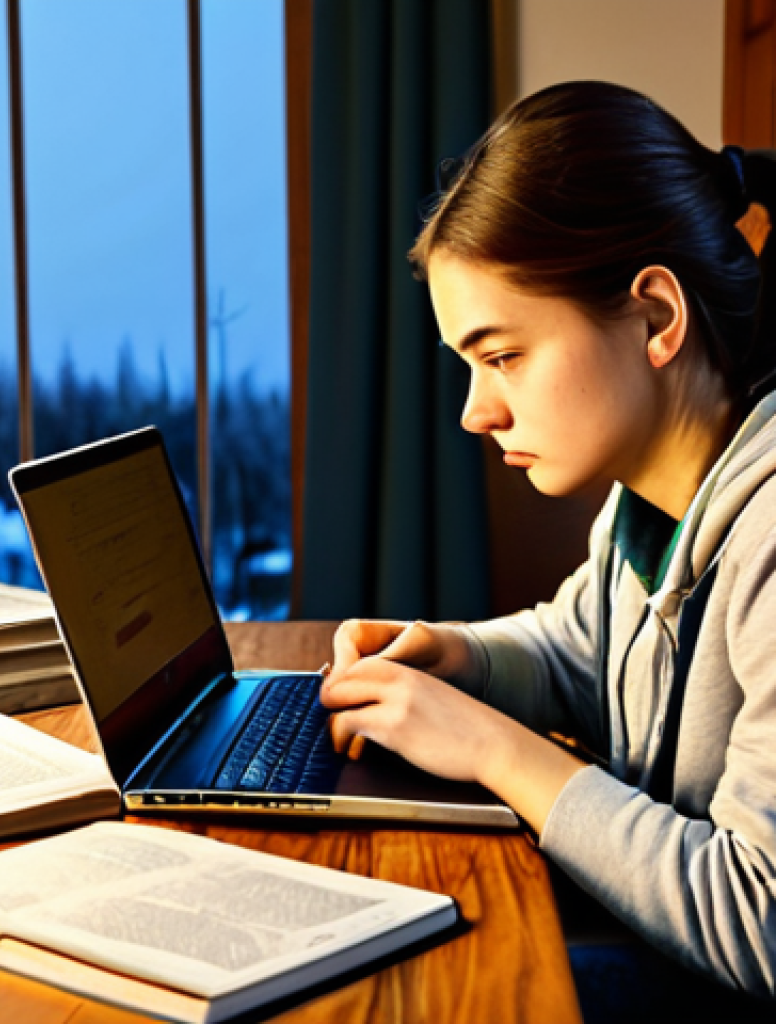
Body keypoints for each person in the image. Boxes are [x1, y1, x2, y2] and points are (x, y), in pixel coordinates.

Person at [319, 80, 776, 1004]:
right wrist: (458, 655)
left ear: (655, 317)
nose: (476, 412)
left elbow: (757, 922)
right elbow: (577, 648)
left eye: (503, 356)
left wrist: (493, 748)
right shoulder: (648, 501)